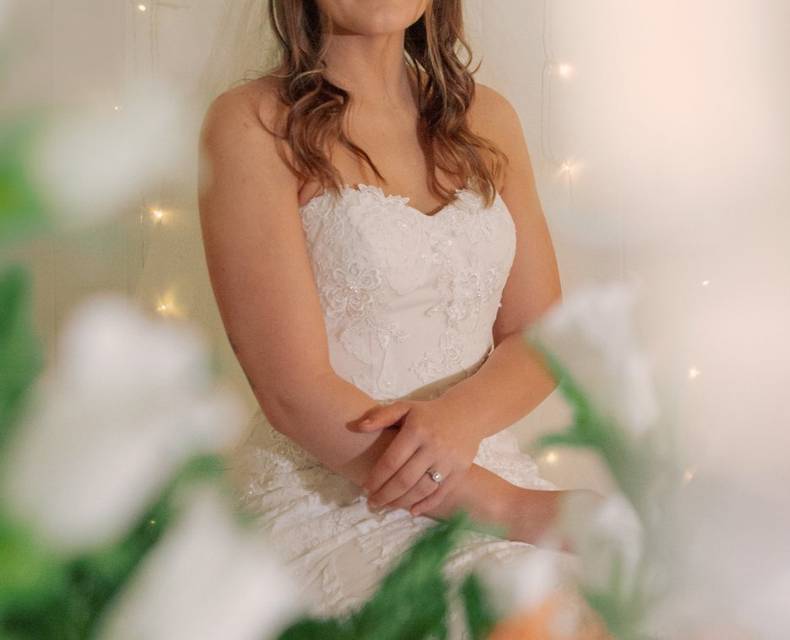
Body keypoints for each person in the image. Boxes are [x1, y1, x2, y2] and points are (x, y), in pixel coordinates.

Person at [197, 1, 605, 636]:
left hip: (484, 457)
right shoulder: (251, 124)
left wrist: (460, 420)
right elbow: (291, 390)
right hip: (331, 487)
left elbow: (541, 332)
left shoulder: (488, 117)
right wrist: (510, 506)